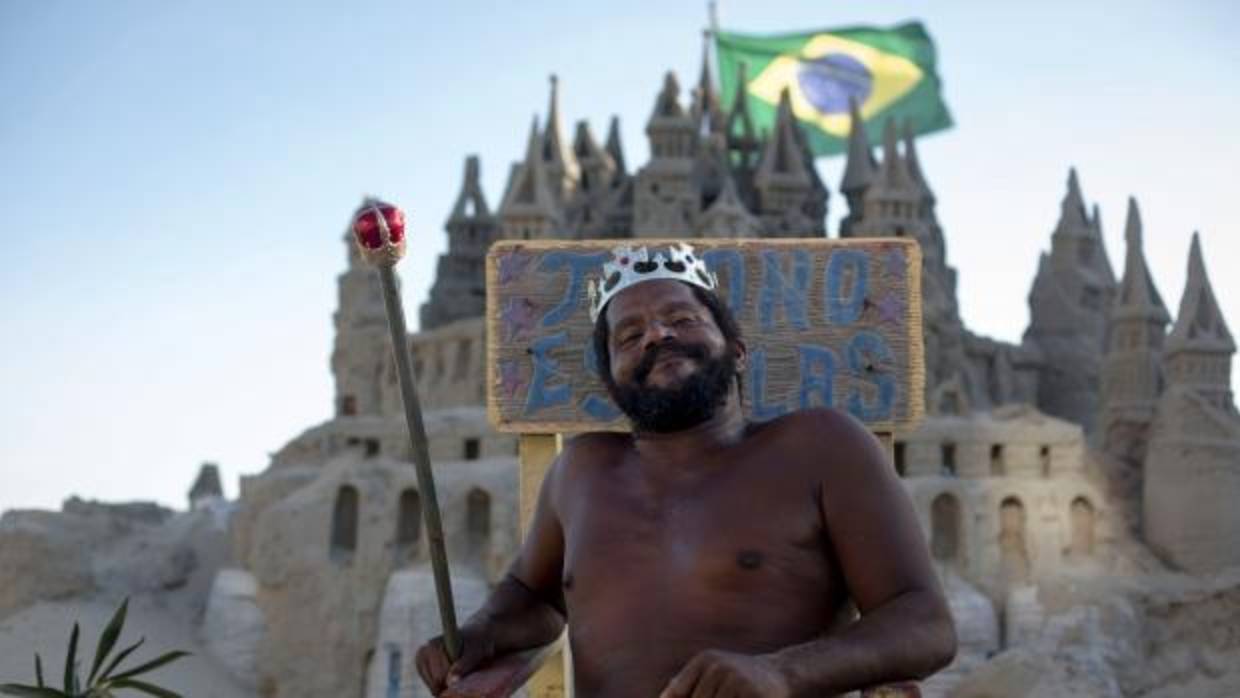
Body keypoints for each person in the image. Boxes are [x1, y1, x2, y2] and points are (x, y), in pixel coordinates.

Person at [417, 244, 956, 697]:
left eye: (681, 319)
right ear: (612, 383)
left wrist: (783, 672)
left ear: (738, 350)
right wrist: (482, 635)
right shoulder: (580, 471)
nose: (656, 336)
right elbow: (534, 599)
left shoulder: (820, 446)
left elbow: (924, 623)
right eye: (629, 336)